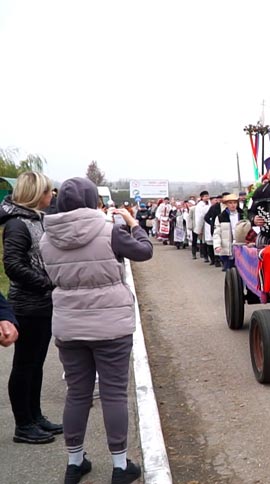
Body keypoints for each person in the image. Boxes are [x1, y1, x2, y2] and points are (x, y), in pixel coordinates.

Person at [40, 177, 153, 484]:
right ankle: (119, 466)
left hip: (68, 323)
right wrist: (134, 223)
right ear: (93, 200)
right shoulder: (109, 230)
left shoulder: (46, 237)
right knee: (114, 393)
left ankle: (75, 463)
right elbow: (144, 251)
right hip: (110, 324)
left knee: (77, 394)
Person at [0, 171, 61, 445]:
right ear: (37, 194)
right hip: (27, 305)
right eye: (48, 192)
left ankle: (35, 416)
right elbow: (13, 266)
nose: (52, 196)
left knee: (36, 364)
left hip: (43, 303)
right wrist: (47, 283)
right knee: (24, 365)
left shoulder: (36, 219)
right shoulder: (17, 224)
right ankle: (22, 424)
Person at [212, 194, 240, 271]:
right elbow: (217, 233)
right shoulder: (221, 217)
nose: (233, 205)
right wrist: (217, 245)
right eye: (230, 203)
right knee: (230, 271)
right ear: (226, 204)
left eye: (234, 203)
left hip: (241, 246)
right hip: (228, 247)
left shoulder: (242, 215)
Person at [193, 191, 210, 262]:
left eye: (207, 196)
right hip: (202, 224)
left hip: (208, 223)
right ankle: (204, 255)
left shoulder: (209, 203)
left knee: (209, 240)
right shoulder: (199, 205)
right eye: (205, 196)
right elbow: (198, 216)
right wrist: (199, 227)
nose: (207, 197)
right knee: (203, 241)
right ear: (202, 197)